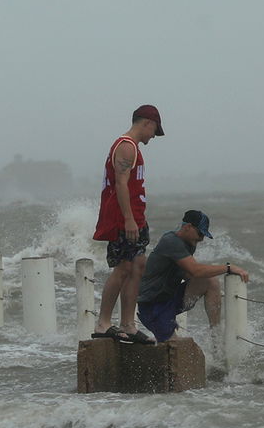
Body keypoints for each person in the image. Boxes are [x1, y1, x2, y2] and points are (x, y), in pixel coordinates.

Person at [91, 104, 164, 344]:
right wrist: (129, 220)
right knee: (123, 268)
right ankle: (103, 324)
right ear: (147, 123)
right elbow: (121, 185)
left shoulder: (133, 148)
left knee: (138, 266)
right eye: (154, 130)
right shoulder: (126, 146)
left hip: (136, 218)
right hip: (124, 220)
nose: (153, 136)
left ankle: (128, 324)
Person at [137, 210, 251, 343]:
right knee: (175, 346)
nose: (201, 239)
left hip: (169, 299)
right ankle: (163, 332)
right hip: (152, 305)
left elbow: (189, 274)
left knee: (210, 282)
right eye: (200, 233)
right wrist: (229, 267)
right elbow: (196, 270)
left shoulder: (189, 243)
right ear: (188, 227)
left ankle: (216, 337)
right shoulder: (171, 241)